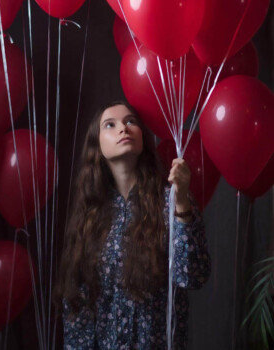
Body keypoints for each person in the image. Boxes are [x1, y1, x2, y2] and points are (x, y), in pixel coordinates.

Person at [55, 101, 211, 349]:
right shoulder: (89, 215)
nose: (123, 129)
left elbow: (192, 277)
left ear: (142, 138)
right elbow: (78, 312)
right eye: (111, 125)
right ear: (97, 145)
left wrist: (181, 202)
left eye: (131, 121)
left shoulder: (170, 201)